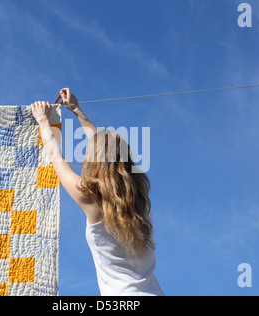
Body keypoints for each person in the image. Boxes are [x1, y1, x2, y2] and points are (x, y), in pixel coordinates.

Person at [31, 88, 165, 296]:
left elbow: (55, 155)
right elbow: (107, 151)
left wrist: (42, 121)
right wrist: (77, 110)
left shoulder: (91, 199)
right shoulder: (140, 200)